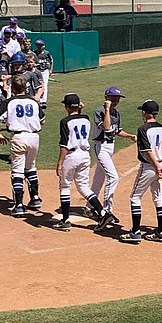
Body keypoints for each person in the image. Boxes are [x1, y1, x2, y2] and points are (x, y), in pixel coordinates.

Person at [53, 93, 106, 231]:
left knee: (65, 187)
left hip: (71, 156)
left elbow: (64, 144)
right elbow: (78, 117)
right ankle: (103, 213)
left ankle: (65, 221)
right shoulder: (86, 119)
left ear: (66, 106)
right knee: (83, 187)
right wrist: (80, 108)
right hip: (84, 156)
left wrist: (59, 163)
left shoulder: (65, 121)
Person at [0, 75, 45, 217]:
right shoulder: (34, 102)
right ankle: (35, 199)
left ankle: (19, 205)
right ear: (26, 87)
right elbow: (43, 120)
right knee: (31, 167)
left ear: (13, 88)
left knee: (17, 171)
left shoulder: (9, 102)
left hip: (18, 137)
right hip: (34, 137)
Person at [120, 100, 162, 243]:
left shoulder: (142, 129)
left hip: (150, 166)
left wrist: (156, 166)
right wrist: (160, 166)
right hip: (161, 164)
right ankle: (161, 231)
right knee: (158, 198)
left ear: (145, 112)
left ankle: (135, 232)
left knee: (135, 197)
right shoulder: (160, 127)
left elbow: (147, 150)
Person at [89, 87, 136, 232]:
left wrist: (129, 136)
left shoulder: (116, 113)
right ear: (106, 97)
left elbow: (116, 130)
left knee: (99, 177)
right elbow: (106, 126)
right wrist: (107, 109)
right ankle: (106, 211)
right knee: (113, 177)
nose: (116, 101)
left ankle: (90, 207)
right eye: (113, 98)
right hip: (100, 147)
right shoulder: (99, 112)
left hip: (110, 147)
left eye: (117, 98)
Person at [33, 39, 53, 104]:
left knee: (44, 85)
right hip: (37, 71)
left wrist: (50, 70)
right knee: (36, 85)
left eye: (40, 45)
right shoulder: (34, 53)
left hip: (45, 70)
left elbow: (52, 61)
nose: (39, 46)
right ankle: (37, 98)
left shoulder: (47, 53)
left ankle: (43, 100)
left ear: (43, 46)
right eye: (38, 45)